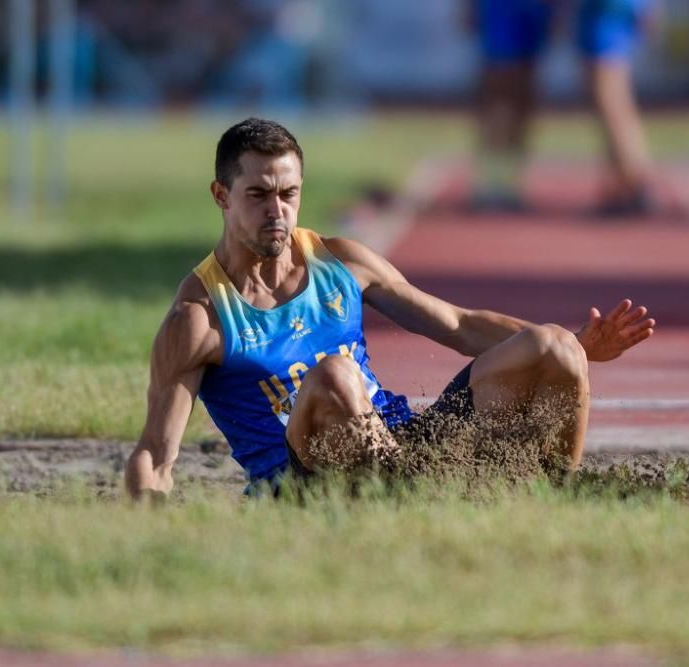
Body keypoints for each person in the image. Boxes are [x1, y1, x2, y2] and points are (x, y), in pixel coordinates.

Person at [125, 118, 657, 499]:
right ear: (221, 195)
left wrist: (580, 346)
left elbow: (459, 325)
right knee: (335, 375)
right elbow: (155, 454)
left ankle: (555, 498)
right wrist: (146, 532)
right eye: (258, 195)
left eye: (288, 194)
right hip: (303, 485)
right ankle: (413, 505)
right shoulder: (200, 318)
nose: (277, 211)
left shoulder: (340, 260)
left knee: (553, 346)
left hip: (403, 446)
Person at [471, 0, 657, 216]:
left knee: (610, 95)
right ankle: (626, 182)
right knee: (508, 93)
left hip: (605, 8)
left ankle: (632, 183)